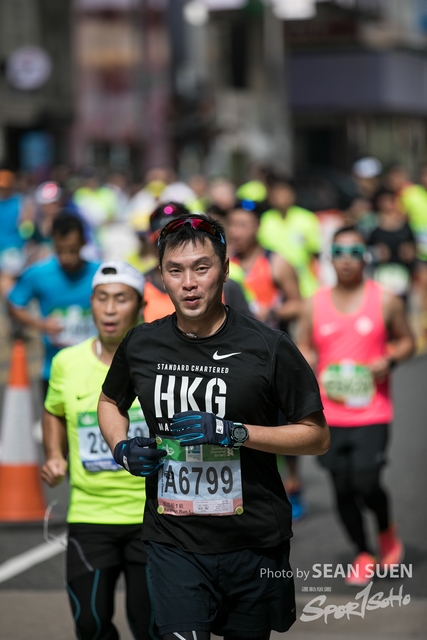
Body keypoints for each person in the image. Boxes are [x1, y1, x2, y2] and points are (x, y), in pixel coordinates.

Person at [98, 213, 329, 640]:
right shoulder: (142, 343)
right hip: (173, 540)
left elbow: (316, 436)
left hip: (254, 540)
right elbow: (111, 401)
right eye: (175, 271)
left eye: (201, 268)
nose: (189, 283)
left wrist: (233, 432)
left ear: (225, 270)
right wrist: (122, 448)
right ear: (161, 276)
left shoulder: (268, 347)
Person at [41, 260, 157, 640]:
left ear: (140, 305)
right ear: (90, 302)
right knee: (90, 624)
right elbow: (53, 410)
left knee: (150, 627)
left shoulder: (161, 362)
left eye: (121, 299)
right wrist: (54, 454)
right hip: (90, 516)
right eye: (101, 298)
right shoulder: (66, 363)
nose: (109, 309)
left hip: (152, 516)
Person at [298, 226, 415, 586]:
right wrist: (307, 360)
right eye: (339, 252)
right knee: (342, 487)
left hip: (372, 410)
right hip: (329, 414)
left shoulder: (385, 300)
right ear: (330, 258)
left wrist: (389, 360)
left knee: (366, 480)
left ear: (365, 257)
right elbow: (303, 345)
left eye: (354, 252)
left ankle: (386, 531)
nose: (346, 260)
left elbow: (407, 341)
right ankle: (363, 552)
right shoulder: (314, 303)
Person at [7, 212, 99, 397]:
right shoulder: (39, 273)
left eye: (72, 250)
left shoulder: (100, 273)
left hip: (95, 370)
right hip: (54, 371)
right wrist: (40, 325)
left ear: (83, 242)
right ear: (53, 243)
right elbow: (14, 303)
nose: (66, 258)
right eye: (60, 250)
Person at [258, 173, 322, 298]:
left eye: (285, 193)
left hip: (305, 287)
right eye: (277, 194)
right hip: (273, 287)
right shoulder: (264, 221)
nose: (281, 198)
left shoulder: (307, 219)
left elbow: (315, 255)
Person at [368, 189, 417, 305]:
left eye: (390, 201)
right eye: (383, 201)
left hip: (402, 273)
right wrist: (377, 254)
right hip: (381, 274)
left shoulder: (405, 227)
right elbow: (367, 252)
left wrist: (409, 253)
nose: (387, 204)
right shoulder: (372, 227)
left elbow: (413, 249)